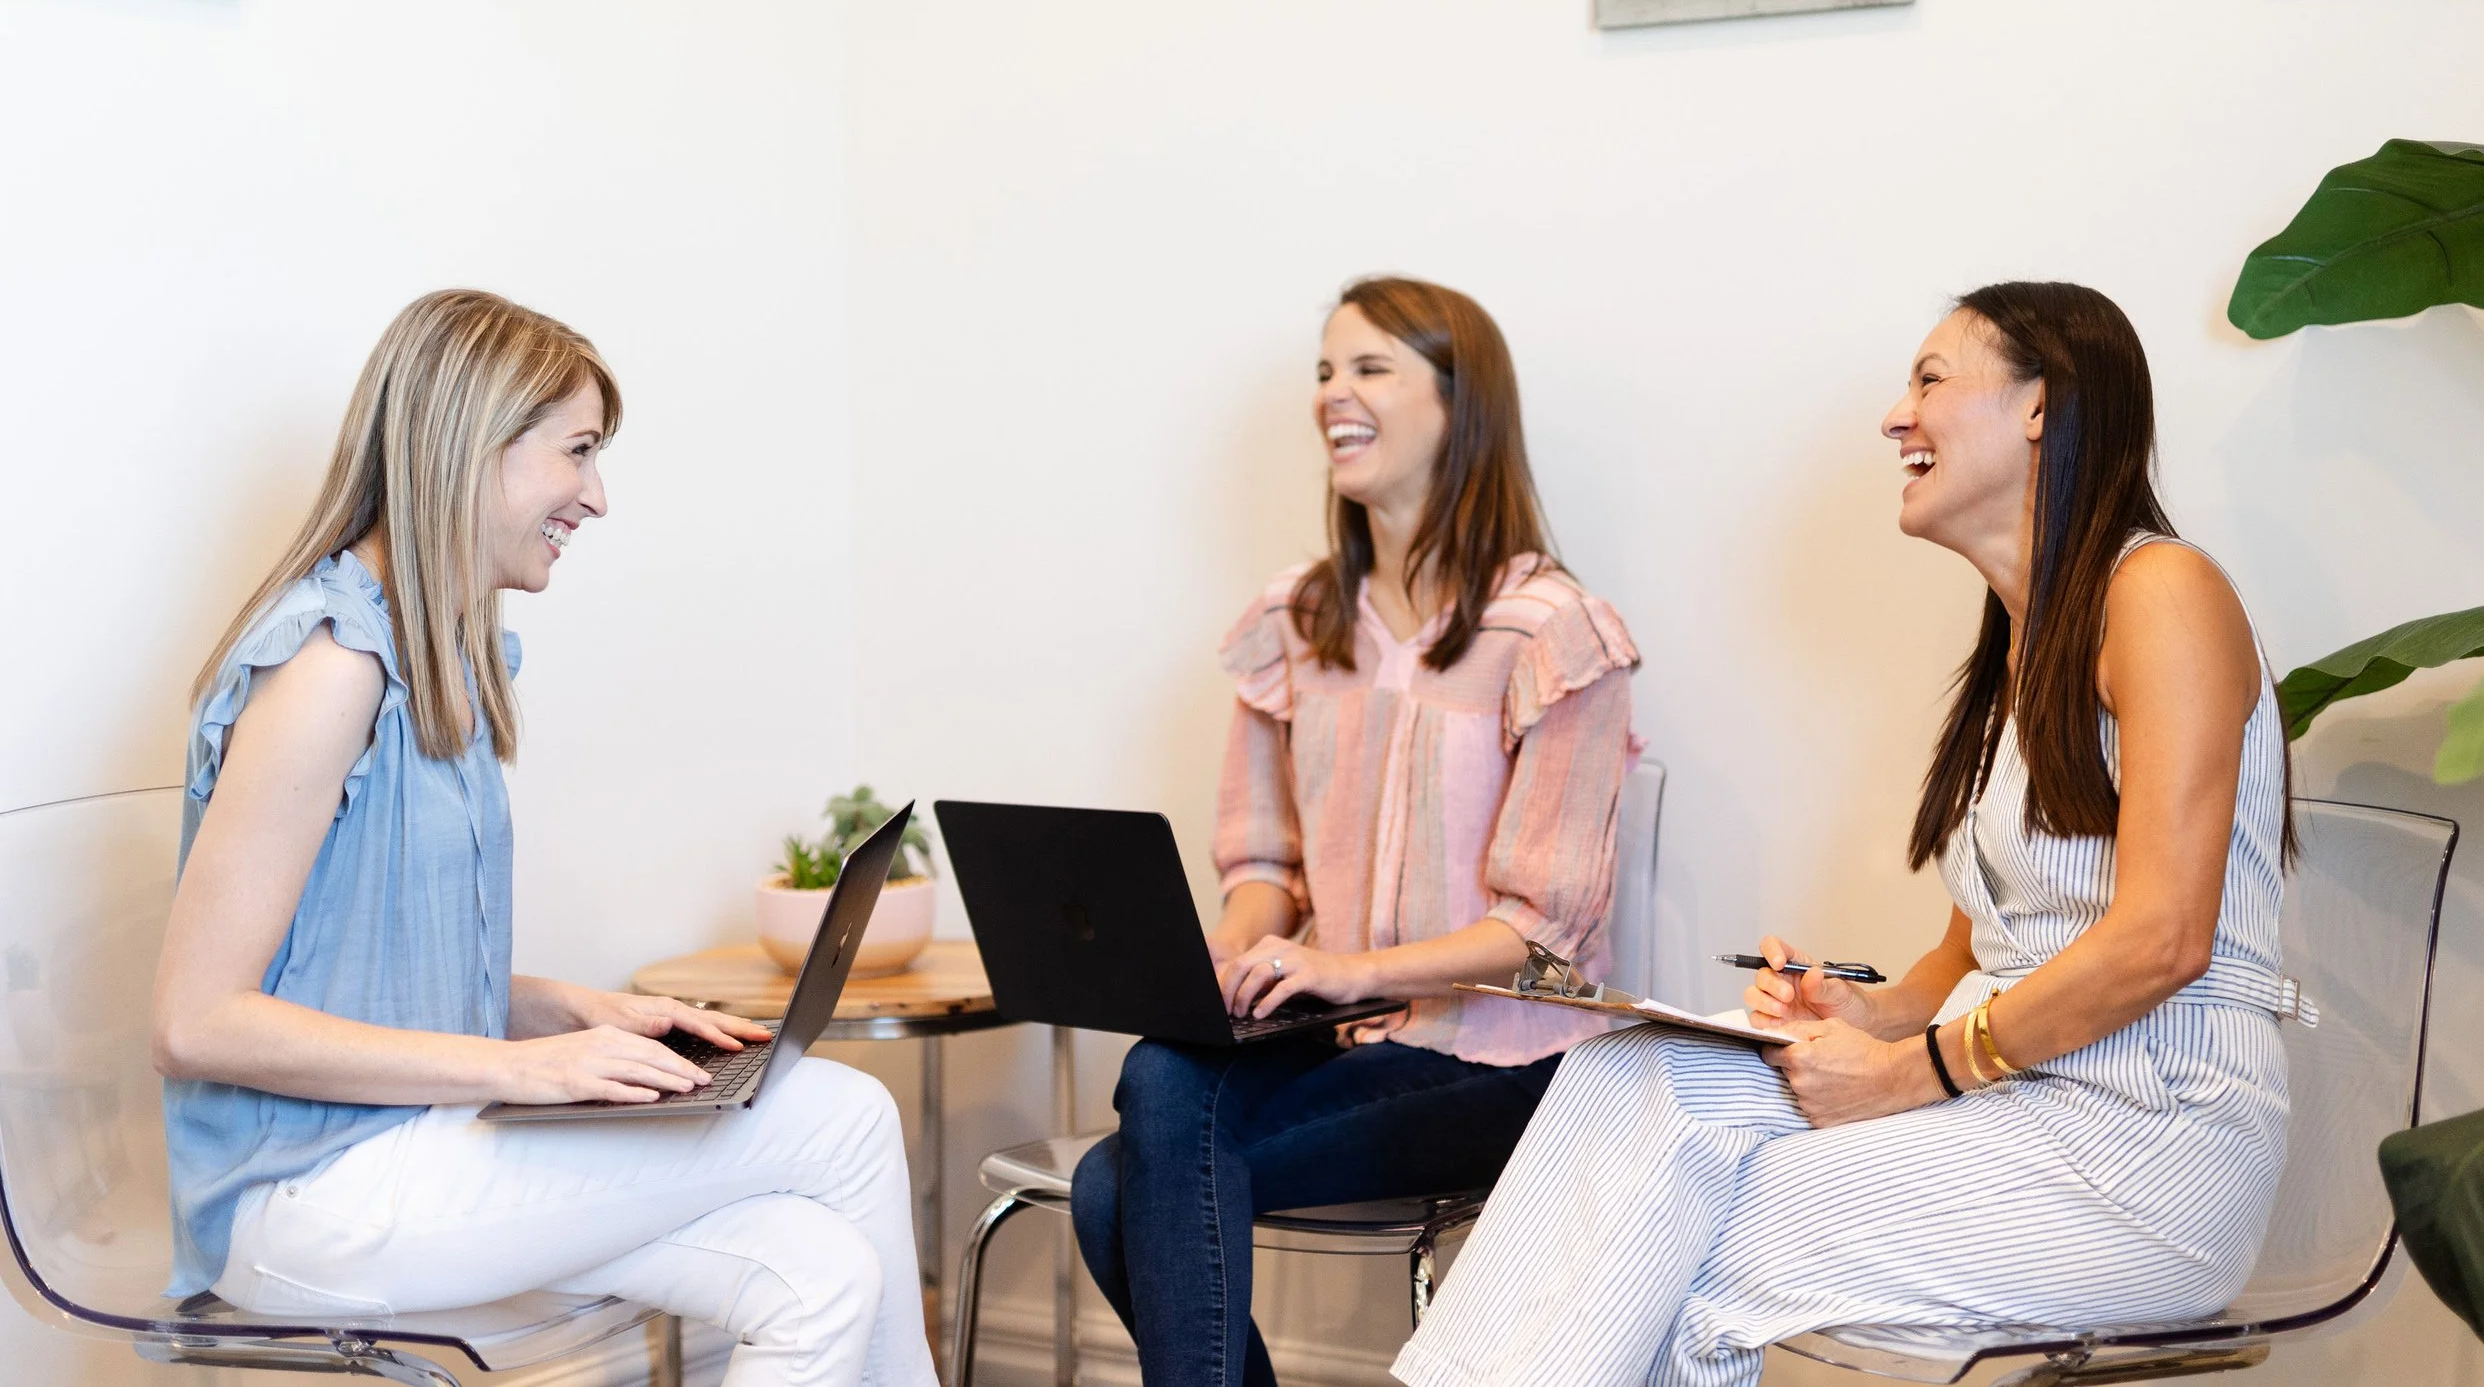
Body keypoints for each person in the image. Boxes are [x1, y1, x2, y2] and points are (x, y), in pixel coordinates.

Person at [1392, 281, 2298, 1387]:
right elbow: (1977, 952)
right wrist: (1872, 1014)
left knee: (1690, 1236)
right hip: (2018, 1094)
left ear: (2041, 406)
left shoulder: (2163, 590)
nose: (1894, 416)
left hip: (2150, 1143)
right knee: (1628, 1074)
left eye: (1930, 380)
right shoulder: (2022, 647)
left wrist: (1912, 1071)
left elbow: (2165, 937)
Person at [153, 291, 936, 1387]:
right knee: (845, 1116)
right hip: (306, 1195)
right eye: (578, 451)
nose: (597, 496)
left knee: (821, 1273)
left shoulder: (442, 656)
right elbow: (195, 1021)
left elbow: (348, 970)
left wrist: (567, 1010)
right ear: (474, 444)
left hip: (420, 1148)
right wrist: (524, 1068)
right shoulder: (330, 666)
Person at [1070, 276, 1642, 1387]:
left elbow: (1542, 935)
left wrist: (1351, 968)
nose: (1333, 392)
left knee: (1112, 1188)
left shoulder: (1554, 631)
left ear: (1460, 404)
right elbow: (1264, 865)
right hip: (1334, 1040)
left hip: (1506, 1061)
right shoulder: (1295, 620)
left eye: (1371, 366)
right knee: (1160, 1072)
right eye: (1326, 370)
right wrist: (1235, 954)